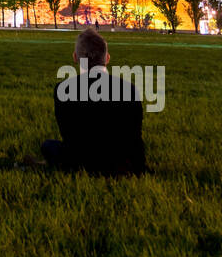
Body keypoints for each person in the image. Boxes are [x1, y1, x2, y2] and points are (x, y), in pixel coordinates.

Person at [41, 28, 146, 176]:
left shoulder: (63, 89)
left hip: (80, 162)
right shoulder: (129, 89)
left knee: (48, 146)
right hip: (120, 162)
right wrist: (138, 166)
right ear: (107, 58)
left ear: (75, 57)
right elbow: (135, 137)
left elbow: (67, 134)